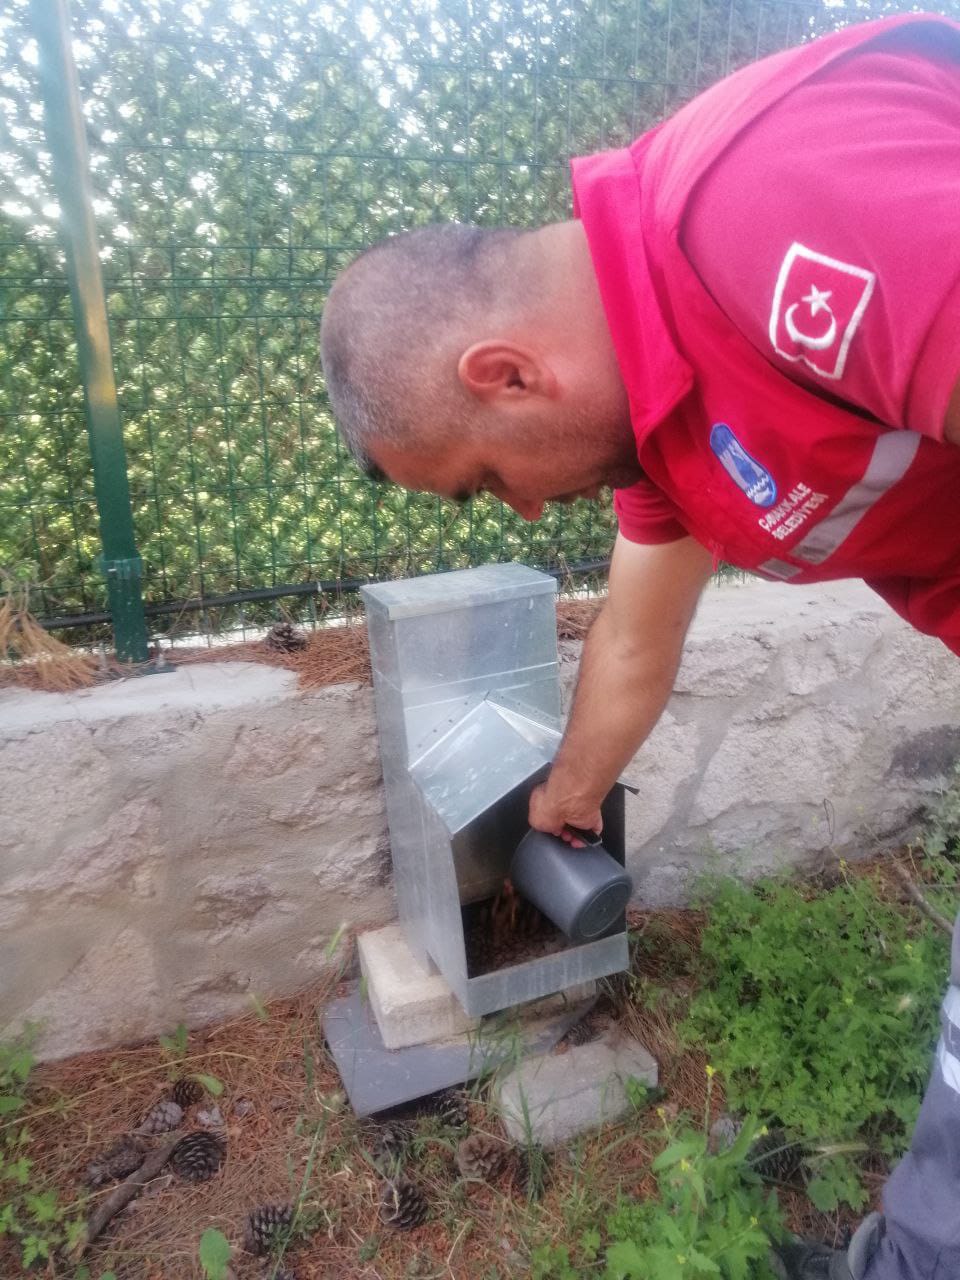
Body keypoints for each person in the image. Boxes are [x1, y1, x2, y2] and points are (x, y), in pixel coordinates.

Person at [320, 12, 960, 1277]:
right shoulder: (662, 424)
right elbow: (631, 636)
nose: (521, 513)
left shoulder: (775, 207)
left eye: (486, 480)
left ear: (507, 373)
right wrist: (566, 795)